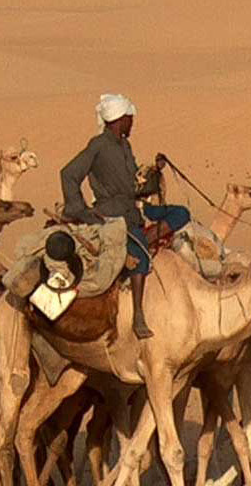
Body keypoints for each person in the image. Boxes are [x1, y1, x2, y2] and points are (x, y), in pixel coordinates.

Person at [60, 94, 189, 339]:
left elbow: (134, 183)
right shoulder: (97, 145)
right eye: (131, 119)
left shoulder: (124, 145)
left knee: (181, 213)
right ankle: (138, 316)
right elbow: (68, 174)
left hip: (134, 209)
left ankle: (146, 236)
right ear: (121, 119)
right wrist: (81, 211)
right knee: (139, 256)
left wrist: (155, 169)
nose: (133, 123)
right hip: (112, 214)